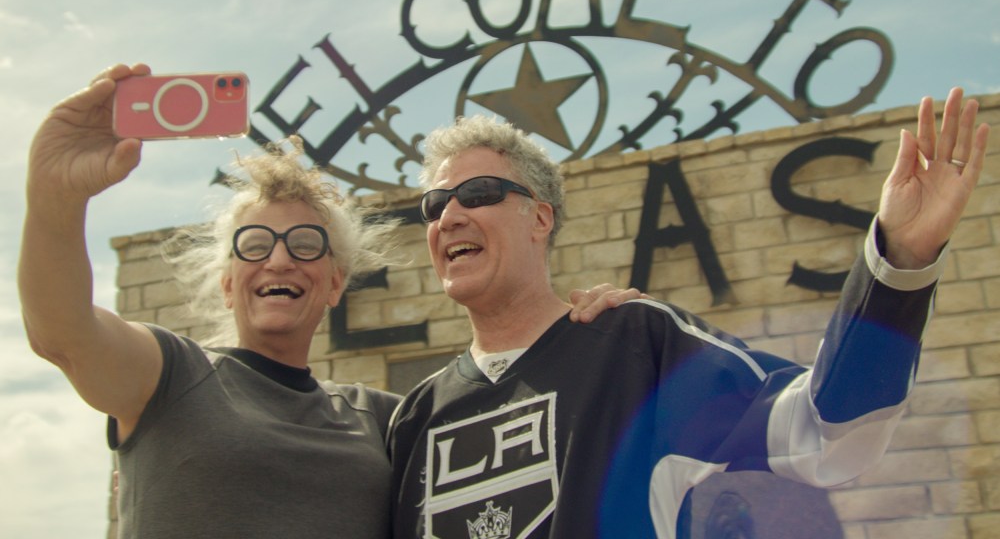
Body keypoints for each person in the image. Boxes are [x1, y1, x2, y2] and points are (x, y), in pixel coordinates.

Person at [17, 63, 637, 538]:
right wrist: (55, 198)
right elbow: (61, 331)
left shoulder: (391, 419)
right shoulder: (168, 375)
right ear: (229, 280)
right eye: (255, 244)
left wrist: (592, 326)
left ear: (336, 282)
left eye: (305, 244)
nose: (280, 259)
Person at [386, 89, 991, 539]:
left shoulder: (637, 348)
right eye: (435, 204)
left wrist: (900, 261)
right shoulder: (415, 418)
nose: (450, 217)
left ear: (540, 219)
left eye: (479, 195)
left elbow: (827, 433)